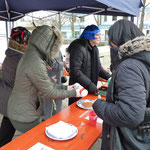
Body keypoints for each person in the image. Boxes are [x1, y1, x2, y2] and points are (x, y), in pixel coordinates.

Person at [7, 25, 87, 133]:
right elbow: (50, 92)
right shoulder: (35, 62)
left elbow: (46, 85)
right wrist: (74, 93)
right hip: (24, 116)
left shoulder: (31, 55)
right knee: (36, 141)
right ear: (47, 44)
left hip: (21, 110)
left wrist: (67, 87)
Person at [93, 19, 150, 150]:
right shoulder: (144, 58)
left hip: (129, 139)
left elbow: (131, 114)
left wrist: (99, 105)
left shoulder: (129, 66)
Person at [0, 27, 31, 147]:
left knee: (7, 129)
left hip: (10, 99)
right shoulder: (21, 58)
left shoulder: (11, 53)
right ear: (24, 42)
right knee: (28, 132)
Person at [67, 24, 111, 105]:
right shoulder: (79, 48)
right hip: (78, 89)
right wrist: (90, 84)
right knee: (76, 111)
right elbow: (75, 71)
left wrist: (110, 77)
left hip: (89, 87)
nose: (99, 37)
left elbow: (99, 68)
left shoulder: (94, 49)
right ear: (90, 35)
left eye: (99, 34)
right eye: (97, 35)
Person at [42, 52, 64, 121]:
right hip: (47, 84)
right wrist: (61, 64)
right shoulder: (44, 49)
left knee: (57, 111)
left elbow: (55, 65)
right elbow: (55, 65)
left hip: (58, 83)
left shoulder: (58, 50)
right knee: (46, 112)